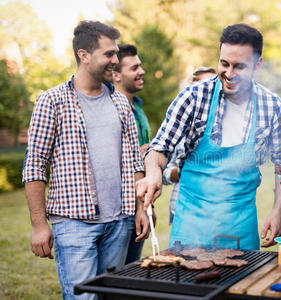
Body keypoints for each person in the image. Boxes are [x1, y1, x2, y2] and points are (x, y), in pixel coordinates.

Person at [136, 23, 281, 250]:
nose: (229, 74)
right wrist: (153, 174)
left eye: (239, 66)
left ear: (258, 64)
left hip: (240, 228)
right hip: (191, 226)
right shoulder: (193, 96)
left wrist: (278, 212)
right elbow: (159, 148)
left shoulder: (273, 106)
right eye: (224, 63)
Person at [22, 20, 149, 300]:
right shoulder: (51, 101)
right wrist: (39, 224)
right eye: (108, 54)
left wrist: (141, 209)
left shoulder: (120, 104)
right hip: (74, 225)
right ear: (84, 55)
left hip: (119, 223)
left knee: (112, 296)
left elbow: (135, 164)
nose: (115, 61)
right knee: (83, 298)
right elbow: (34, 166)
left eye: (115, 54)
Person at [112, 43, 155, 264]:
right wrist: (140, 153)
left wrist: (148, 206)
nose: (142, 71)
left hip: (139, 204)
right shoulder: (109, 109)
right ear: (115, 75)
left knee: (130, 270)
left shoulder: (138, 108)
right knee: (112, 275)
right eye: (134, 68)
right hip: (117, 211)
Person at [163, 66, 217, 225]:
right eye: (200, 84)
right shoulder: (179, 129)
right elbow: (165, 174)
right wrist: (181, 171)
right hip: (181, 210)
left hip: (216, 213)